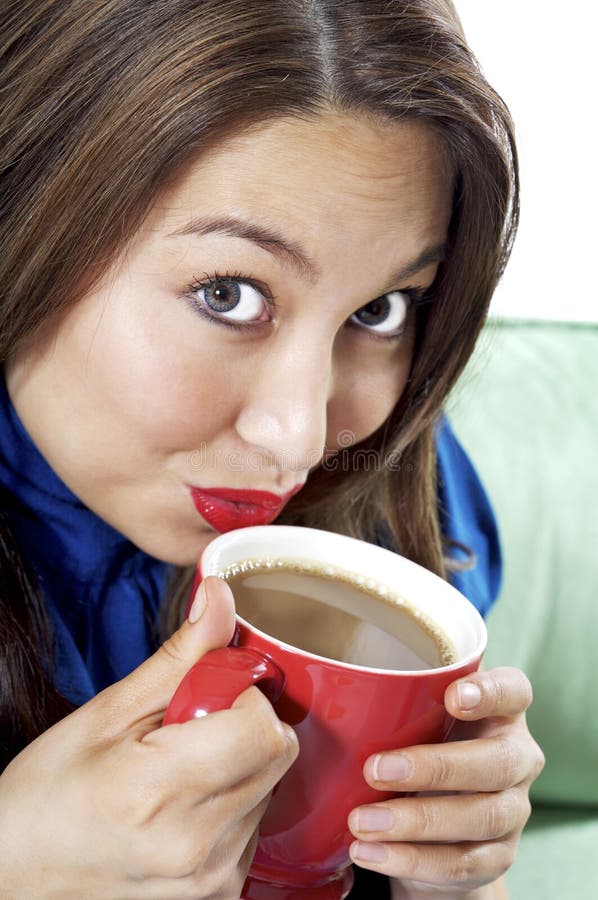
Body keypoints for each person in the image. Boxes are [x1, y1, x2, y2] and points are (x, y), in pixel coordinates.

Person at [0, 1, 544, 897]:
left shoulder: (403, 496)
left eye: (381, 310)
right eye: (228, 293)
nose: (302, 434)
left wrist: (451, 878)